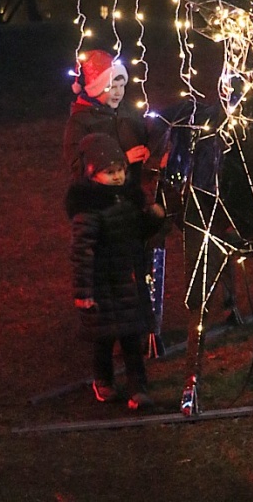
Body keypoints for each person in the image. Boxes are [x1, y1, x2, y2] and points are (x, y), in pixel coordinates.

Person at [65, 132, 166, 409]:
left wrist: (154, 219)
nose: (119, 176)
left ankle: (138, 388)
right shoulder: (89, 210)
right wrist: (84, 293)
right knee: (104, 340)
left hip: (129, 282)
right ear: (91, 174)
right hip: (103, 286)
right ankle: (104, 381)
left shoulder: (129, 199)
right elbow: (81, 253)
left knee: (132, 340)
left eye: (120, 170)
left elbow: (138, 233)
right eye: (110, 173)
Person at [63, 49, 150, 186]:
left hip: (135, 186)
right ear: (95, 89)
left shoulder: (127, 109)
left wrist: (153, 150)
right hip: (103, 195)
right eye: (111, 87)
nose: (118, 92)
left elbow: (147, 132)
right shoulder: (80, 120)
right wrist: (123, 160)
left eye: (122, 86)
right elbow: (78, 165)